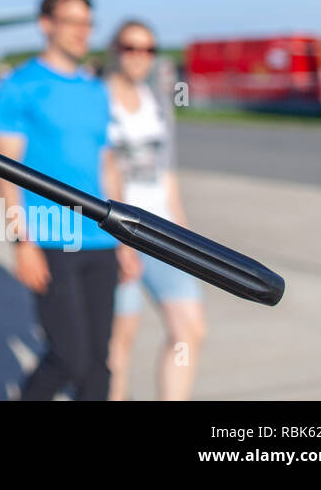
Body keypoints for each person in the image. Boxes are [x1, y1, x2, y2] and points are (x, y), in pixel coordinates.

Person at [0, 0, 139, 400]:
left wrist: (125, 239)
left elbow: (106, 164)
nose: (82, 31)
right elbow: (6, 172)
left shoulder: (95, 90)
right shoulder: (20, 86)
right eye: (72, 21)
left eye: (88, 22)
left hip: (101, 240)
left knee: (98, 363)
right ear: (46, 25)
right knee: (69, 355)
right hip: (52, 236)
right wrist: (22, 241)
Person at [104, 20, 206, 401]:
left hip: (161, 230)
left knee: (190, 328)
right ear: (115, 50)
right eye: (130, 48)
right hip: (116, 233)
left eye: (147, 49)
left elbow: (167, 174)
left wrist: (185, 234)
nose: (139, 56)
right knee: (119, 339)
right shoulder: (98, 101)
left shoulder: (159, 103)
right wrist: (117, 244)